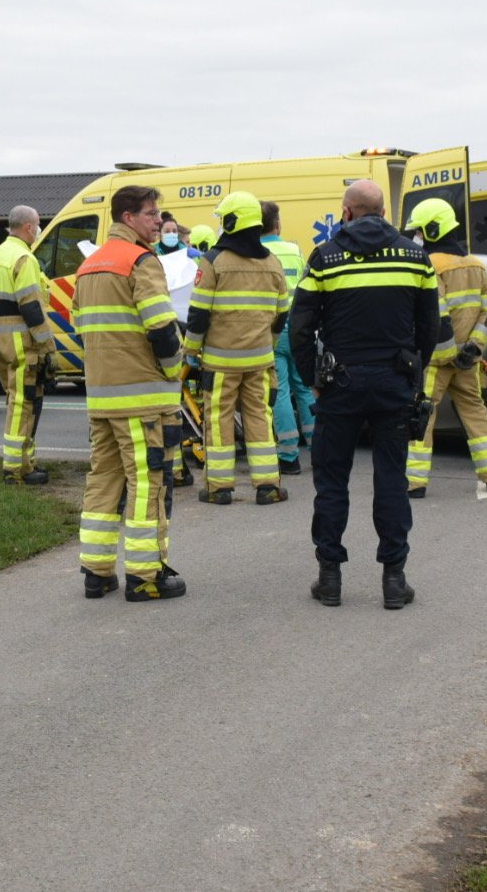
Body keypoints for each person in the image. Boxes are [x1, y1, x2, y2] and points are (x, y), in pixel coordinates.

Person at [292, 180, 439, 610]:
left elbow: (299, 326)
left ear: (348, 211)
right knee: (392, 479)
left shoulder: (325, 256)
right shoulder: (416, 256)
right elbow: (430, 325)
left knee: (332, 480)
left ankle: (330, 577)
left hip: (341, 384)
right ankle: (394, 580)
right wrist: (415, 371)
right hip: (395, 381)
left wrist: (310, 377)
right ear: (383, 211)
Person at [72, 186, 186, 601]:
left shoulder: (89, 266)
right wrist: (176, 373)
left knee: (102, 481)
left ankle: (96, 572)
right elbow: (161, 329)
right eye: (151, 214)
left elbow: (80, 326)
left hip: (102, 397)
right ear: (127, 217)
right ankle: (146, 575)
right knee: (148, 485)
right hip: (142, 401)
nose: (158, 221)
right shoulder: (141, 261)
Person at [184, 190, 291, 505]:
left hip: (220, 362)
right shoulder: (272, 263)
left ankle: (219, 488)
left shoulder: (214, 260)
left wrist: (192, 348)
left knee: (219, 418)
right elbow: (281, 314)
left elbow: (199, 312)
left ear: (231, 222)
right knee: (260, 416)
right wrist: (267, 346)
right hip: (259, 360)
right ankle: (268, 486)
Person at [402, 200, 487, 498]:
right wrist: (473, 349)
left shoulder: (431, 265)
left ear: (433, 229)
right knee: (475, 411)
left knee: (422, 414)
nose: (417, 237)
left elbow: (439, 315)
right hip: (467, 361)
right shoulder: (476, 264)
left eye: (420, 231)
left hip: (437, 360)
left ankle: (415, 483)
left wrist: (447, 355)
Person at [0, 206, 56, 484]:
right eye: (37, 225)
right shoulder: (24, 258)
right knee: (23, 402)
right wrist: (47, 346)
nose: (38, 230)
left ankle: (26, 463)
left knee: (20, 399)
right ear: (28, 227)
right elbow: (31, 308)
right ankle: (15, 469)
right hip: (20, 339)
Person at [260, 200, 311, 476]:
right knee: (304, 388)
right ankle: (318, 448)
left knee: (280, 392)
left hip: (272, 329)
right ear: (278, 224)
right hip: (299, 328)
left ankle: (289, 455)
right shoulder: (294, 250)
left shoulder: (257, 252)